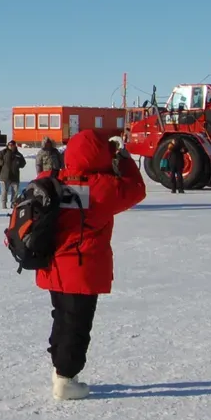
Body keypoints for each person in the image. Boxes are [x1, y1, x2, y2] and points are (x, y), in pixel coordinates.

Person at [33, 129, 147, 401]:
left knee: (62, 318)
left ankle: (59, 370)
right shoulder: (101, 188)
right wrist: (124, 159)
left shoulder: (51, 180)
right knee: (76, 324)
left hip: (52, 265)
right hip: (81, 269)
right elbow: (136, 190)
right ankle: (66, 380)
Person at [0, 141, 26, 208]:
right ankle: (4, 205)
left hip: (15, 176)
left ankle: (13, 204)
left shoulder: (18, 154)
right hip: (5, 176)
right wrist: (1, 162)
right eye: (9, 145)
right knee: (4, 192)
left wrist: (19, 163)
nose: (11, 146)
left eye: (12, 145)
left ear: (15, 146)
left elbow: (23, 163)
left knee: (15, 192)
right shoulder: (3, 152)